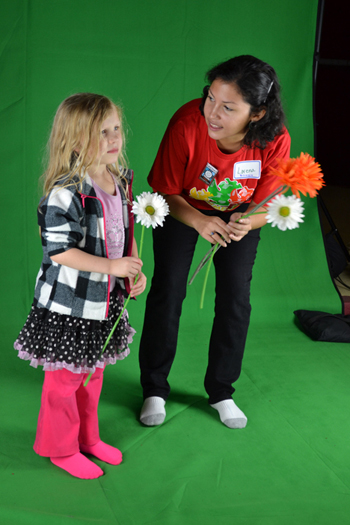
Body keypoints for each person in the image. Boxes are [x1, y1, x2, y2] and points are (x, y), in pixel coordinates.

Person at [139, 55, 290, 429]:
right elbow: (165, 193)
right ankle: (154, 388)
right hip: (183, 209)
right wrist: (200, 220)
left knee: (236, 299)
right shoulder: (186, 123)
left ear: (256, 114)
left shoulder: (274, 140)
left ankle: (222, 390)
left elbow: (271, 203)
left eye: (228, 107)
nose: (212, 113)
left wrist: (247, 223)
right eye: (210, 98)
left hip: (240, 218)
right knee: (169, 290)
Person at [14, 93, 147, 479]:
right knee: (65, 382)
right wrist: (111, 265)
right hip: (70, 305)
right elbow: (59, 251)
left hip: (105, 303)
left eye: (115, 129)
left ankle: (88, 438)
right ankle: (58, 446)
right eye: (99, 133)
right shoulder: (66, 191)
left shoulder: (120, 180)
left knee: (93, 374)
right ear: (74, 141)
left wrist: (132, 271)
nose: (112, 138)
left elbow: (126, 230)